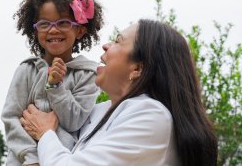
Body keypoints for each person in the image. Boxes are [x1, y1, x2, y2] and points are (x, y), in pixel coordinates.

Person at [21, 19, 218, 166]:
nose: (106, 45)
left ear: (137, 69)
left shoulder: (151, 116)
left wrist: (45, 133)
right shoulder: (98, 112)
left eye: (118, 41)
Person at [1, 0, 104, 166]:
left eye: (63, 23)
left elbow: (74, 121)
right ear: (35, 31)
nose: (53, 29)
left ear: (79, 30)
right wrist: (31, 158)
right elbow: (11, 117)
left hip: (62, 160)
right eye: (44, 24)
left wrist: (56, 86)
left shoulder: (88, 74)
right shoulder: (26, 70)